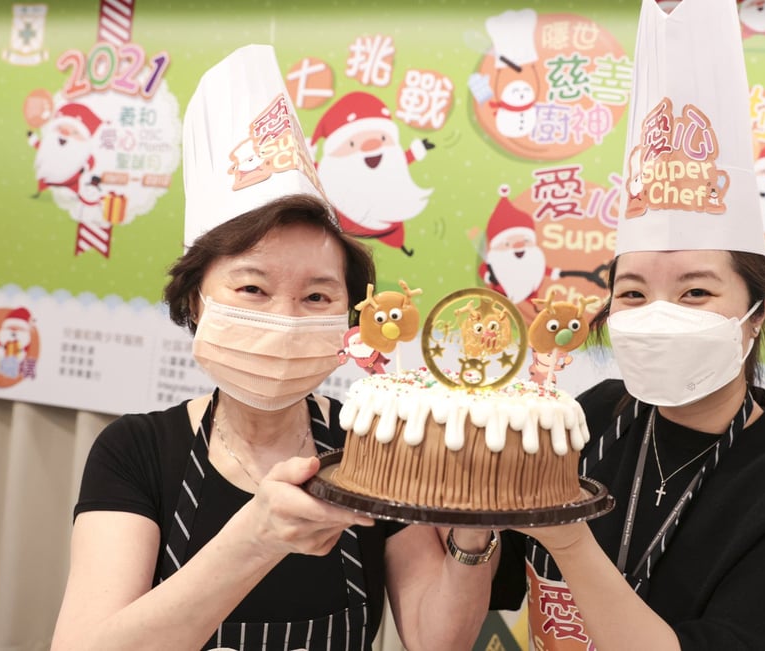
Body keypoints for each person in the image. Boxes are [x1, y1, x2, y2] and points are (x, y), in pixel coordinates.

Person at [51, 45, 497, 651]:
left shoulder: (371, 445)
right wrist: (256, 538)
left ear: (351, 320)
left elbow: (434, 639)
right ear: (195, 301)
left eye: (317, 298)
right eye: (253, 288)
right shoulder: (135, 451)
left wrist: (476, 536)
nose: (284, 319)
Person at [489, 1, 765, 649]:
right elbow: (499, 584)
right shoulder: (594, 416)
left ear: (756, 317)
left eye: (696, 290)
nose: (658, 314)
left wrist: (569, 537)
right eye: (632, 291)